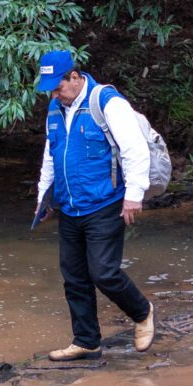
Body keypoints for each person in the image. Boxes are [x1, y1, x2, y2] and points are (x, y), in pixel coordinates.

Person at [33, 50, 155, 359]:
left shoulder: (107, 103)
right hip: (69, 207)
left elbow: (134, 149)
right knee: (74, 277)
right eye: (50, 90)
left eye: (58, 87)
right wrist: (43, 198)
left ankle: (142, 313)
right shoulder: (55, 109)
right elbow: (51, 156)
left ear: (74, 77)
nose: (55, 94)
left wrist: (134, 195)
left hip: (105, 203)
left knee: (103, 272)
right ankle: (86, 340)